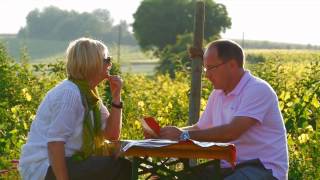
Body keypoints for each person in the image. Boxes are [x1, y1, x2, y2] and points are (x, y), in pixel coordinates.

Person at [153, 39, 289, 180]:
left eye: (211, 68)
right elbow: (200, 128)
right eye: (206, 69)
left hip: (263, 170)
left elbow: (232, 131)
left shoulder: (257, 89)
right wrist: (166, 134)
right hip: (228, 168)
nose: (207, 75)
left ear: (232, 65)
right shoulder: (217, 94)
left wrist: (184, 136)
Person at [19, 37, 131, 180]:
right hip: (44, 167)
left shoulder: (89, 96)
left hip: (69, 161)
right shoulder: (70, 94)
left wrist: (116, 98)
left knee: (122, 165)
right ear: (92, 63)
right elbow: (55, 143)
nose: (110, 64)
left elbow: (112, 135)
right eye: (107, 60)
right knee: (121, 167)